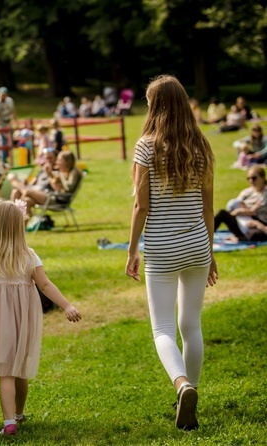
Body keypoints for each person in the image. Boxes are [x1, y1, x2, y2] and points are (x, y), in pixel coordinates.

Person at [125, 75, 218, 431]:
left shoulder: (146, 146)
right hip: (197, 244)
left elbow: (141, 206)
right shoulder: (202, 146)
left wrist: (132, 250)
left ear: (156, 106)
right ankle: (190, 391)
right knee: (191, 325)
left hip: (162, 248)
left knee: (162, 327)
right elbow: (208, 209)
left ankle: (182, 385)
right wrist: (210, 253)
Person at [0, 200, 81, 436]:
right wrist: (66, 305)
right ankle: (19, 413)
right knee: (20, 368)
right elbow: (45, 284)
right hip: (24, 319)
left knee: (6, 372)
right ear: (18, 227)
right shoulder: (29, 255)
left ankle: (9, 422)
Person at [10, 151, 81, 217]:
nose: (57, 162)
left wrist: (60, 174)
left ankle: (15, 215)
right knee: (26, 201)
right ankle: (20, 229)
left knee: (27, 191)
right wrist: (49, 173)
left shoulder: (73, 172)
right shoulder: (64, 172)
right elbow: (55, 185)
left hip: (58, 200)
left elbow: (68, 187)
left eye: (59, 160)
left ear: (67, 162)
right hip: (53, 197)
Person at [214, 166, 267, 242]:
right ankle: (207, 234)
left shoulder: (265, 193)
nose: (251, 181)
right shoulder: (247, 192)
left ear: (262, 178)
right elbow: (236, 205)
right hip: (240, 220)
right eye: (248, 178)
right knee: (222, 213)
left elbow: (254, 211)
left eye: (254, 178)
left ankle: (241, 238)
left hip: (257, 224)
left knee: (256, 235)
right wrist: (240, 211)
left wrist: (240, 211)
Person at [0, 87, 17, 162]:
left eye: (4, 95)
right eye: (1, 95)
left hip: (8, 123)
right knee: (3, 142)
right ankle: (3, 160)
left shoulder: (10, 101)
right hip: (1, 125)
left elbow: (13, 111)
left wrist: (15, 122)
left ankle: (11, 159)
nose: (3, 96)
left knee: (10, 142)